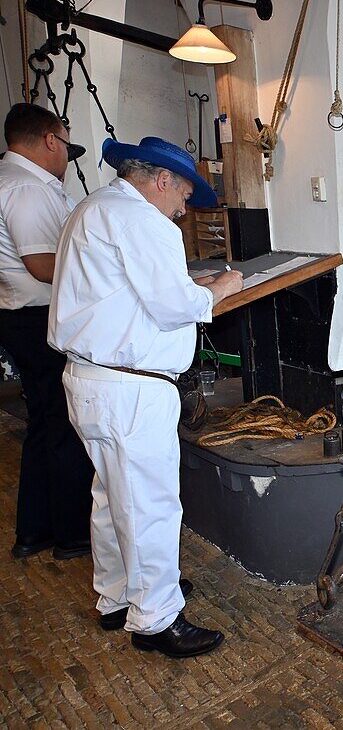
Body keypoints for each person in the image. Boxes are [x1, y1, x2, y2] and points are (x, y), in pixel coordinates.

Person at [48, 136, 243, 657]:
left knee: (111, 497)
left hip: (90, 377)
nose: (183, 209)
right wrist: (221, 286)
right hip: (130, 388)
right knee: (150, 503)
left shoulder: (92, 206)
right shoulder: (143, 220)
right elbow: (172, 305)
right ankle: (157, 618)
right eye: (183, 195)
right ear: (160, 181)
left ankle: (118, 599)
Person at [0, 103, 96, 560]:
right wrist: (107, 272)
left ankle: (34, 531)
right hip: (38, 317)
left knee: (43, 423)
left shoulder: (8, 180)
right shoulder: (27, 188)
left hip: (19, 317)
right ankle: (71, 534)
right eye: (65, 144)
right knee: (65, 424)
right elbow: (42, 265)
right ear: (51, 141)